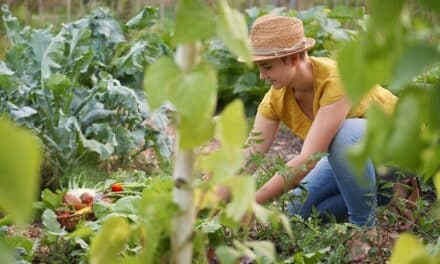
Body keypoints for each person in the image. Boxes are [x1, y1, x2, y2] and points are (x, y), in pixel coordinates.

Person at [220, 14, 401, 260]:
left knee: (342, 135)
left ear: (293, 58)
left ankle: (365, 230)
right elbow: (251, 155)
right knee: (296, 212)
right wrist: (211, 199)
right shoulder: (276, 98)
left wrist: (252, 203)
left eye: (267, 67)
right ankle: (381, 197)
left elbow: (309, 158)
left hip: (399, 150)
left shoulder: (335, 79)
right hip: (355, 162)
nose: (262, 76)